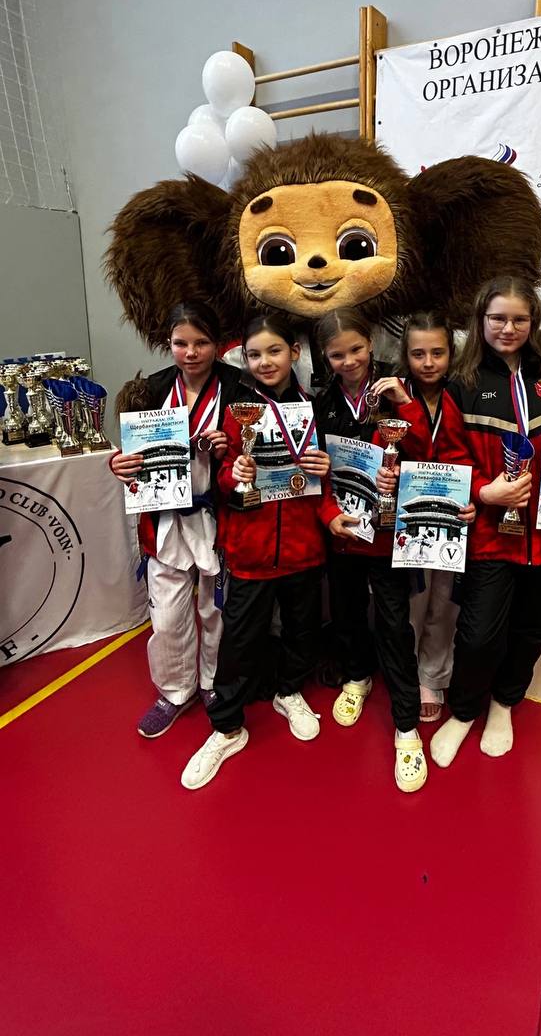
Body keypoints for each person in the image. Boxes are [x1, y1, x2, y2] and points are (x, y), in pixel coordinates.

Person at [384, 276, 541, 767]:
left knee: (533, 628)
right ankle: (464, 712)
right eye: (498, 318)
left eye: (519, 319)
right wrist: (484, 491)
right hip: (491, 536)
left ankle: (503, 705)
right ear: (481, 321)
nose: (508, 328)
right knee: (478, 635)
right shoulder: (463, 384)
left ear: (533, 322)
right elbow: (449, 456)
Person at [180, 313, 340, 791]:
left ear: (294, 352)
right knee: (239, 640)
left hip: (303, 548)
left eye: (274, 351)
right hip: (250, 549)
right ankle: (227, 727)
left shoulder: (314, 408)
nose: (265, 361)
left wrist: (325, 469)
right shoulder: (237, 411)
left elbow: (325, 482)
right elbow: (222, 478)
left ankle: (289, 692)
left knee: (301, 629)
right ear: (244, 360)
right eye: (254, 354)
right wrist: (235, 475)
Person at [313, 308, 436, 793]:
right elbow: (315, 471)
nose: (349, 361)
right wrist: (329, 515)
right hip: (344, 533)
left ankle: (406, 728)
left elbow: (428, 454)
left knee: (393, 624)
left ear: (371, 344)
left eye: (356, 350)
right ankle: (357, 677)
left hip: (386, 534)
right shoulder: (322, 402)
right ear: (324, 357)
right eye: (337, 354)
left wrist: (406, 405)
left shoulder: (396, 389)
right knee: (346, 612)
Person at [110, 300, 245, 738]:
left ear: (217, 344)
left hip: (217, 516)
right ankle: (174, 690)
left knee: (215, 610)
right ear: (168, 344)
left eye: (201, 343)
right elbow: (133, 453)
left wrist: (229, 448)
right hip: (164, 518)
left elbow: (256, 452)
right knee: (168, 616)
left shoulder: (238, 388)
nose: (190, 353)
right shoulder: (150, 389)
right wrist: (119, 463)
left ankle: (212, 683)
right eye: (180, 343)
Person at [399, 311, 462, 722]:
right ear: (405, 355)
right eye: (418, 354)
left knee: (446, 600)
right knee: (412, 601)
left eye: (437, 353)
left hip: (456, 513)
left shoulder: (465, 392)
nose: (427, 363)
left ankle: (433, 676)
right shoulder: (394, 394)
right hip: (410, 515)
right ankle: (405, 671)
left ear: (451, 353)